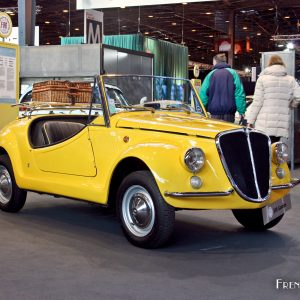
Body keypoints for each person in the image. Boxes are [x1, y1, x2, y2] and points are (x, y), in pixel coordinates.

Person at [246, 55, 300, 143]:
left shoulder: (262, 79)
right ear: (282, 64)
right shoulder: (290, 80)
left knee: (263, 149)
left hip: (264, 123)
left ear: (270, 64)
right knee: (275, 148)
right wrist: (291, 105)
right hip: (281, 122)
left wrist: (251, 121)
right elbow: (298, 97)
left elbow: (257, 102)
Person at [200, 53, 246, 122]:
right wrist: (241, 111)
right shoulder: (233, 73)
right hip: (229, 115)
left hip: (214, 115)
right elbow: (239, 93)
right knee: (228, 132)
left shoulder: (210, 75)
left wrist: (201, 110)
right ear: (225, 61)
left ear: (215, 62)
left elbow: (203, 94)